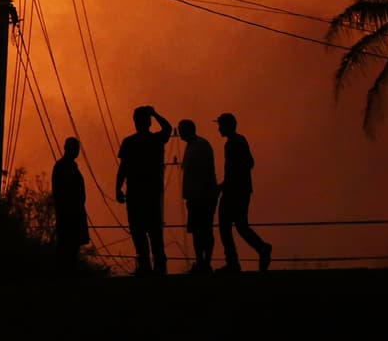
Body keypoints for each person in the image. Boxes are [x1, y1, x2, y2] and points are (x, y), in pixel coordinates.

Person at [115, 105, 172, 275]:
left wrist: (118, 188)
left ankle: (148, 266)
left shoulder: (131, 142)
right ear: (148, 122)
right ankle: (155, 267)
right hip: (149, 194)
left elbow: (123, 168)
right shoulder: (154, 140)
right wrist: (155, 113)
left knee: (141, 232)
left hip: (139, 194)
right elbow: (167, 128)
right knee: (151, 232)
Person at [214, 112, 272, 272]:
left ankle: (233, 262)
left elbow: (235, 170)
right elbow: (249, 163)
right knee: (240, 226)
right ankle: (261, 248)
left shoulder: (233, 143)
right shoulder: (239, 140)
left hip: (234, 191)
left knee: (225, 226)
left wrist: (223, 186)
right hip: (241, 190)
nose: (218, 129)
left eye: (220, 125)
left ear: (226, 126)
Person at [176, 119, 218, 274]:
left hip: (203, 196)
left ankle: (205, 262)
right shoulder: (192, 146)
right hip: (195, 196)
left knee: (204, 230)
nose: (179, 133)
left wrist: (201, 193)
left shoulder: (200, 146)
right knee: (197, 230)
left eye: (181, 129)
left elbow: (204, 172)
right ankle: (201, 262)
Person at [52, 136, 90, 269]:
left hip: (75, 211)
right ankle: (64, 271)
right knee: (67, 244)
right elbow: (59, 192)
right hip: (68, 213)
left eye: (77, 148)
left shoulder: (71, 166)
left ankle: (69, 270)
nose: (77, 151)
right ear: (68, 149)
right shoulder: (62, 166)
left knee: (73, 245)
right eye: (75, 148)